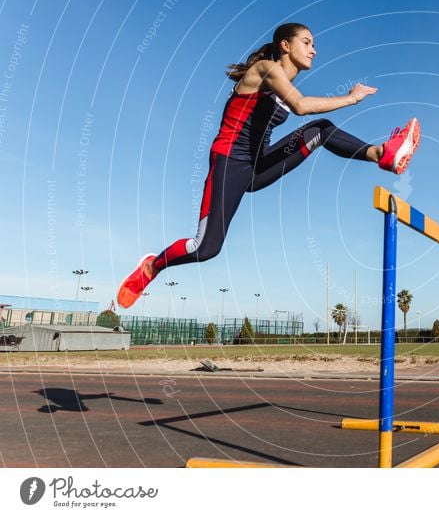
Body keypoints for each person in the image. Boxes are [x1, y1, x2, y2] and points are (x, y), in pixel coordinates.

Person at [117, 23, 420, 308]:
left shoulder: (284, 86)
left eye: (314, 44)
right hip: (230, 163)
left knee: (321, 129)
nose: (314, 50)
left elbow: (300, 108)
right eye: (307, 42)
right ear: (285, 45)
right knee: (205, 249)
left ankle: (383, 153)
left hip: (259, 166)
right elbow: (301, 106)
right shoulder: (265, 69)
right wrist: (351, 99)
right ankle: (152, 266)